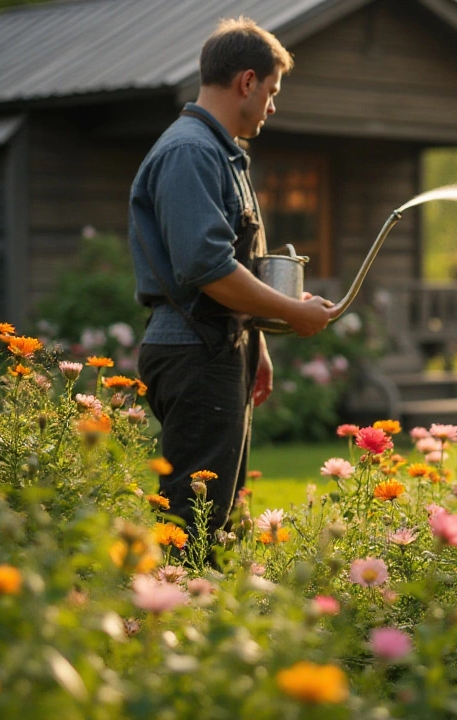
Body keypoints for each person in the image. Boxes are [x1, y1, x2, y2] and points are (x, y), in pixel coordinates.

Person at [128, 17, 335, 544]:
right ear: (247, 81)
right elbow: (207, 269)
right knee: (193, 520)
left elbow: (236, 260)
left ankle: (202, 613)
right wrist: (291, 312)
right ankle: (171, 616)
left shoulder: (223, 153)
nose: (272, 105)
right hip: (194, 352)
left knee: (219, 512)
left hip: (220, 347)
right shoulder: (191, 153)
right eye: (271, 91)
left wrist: (258, 340)